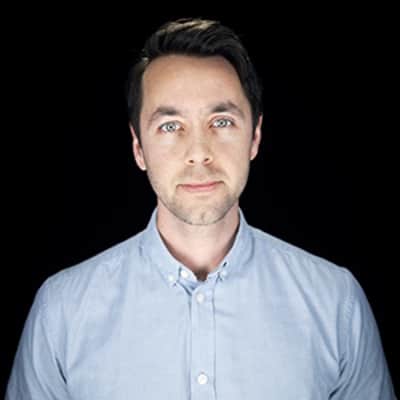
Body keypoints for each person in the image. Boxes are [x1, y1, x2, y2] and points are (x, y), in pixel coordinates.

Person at [6, 18, 396, 399]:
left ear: (255, 137)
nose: (198, 153)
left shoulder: (335, 302)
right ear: (138, 147)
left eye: (221, 122)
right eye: (170, 126)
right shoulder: (62, 311)